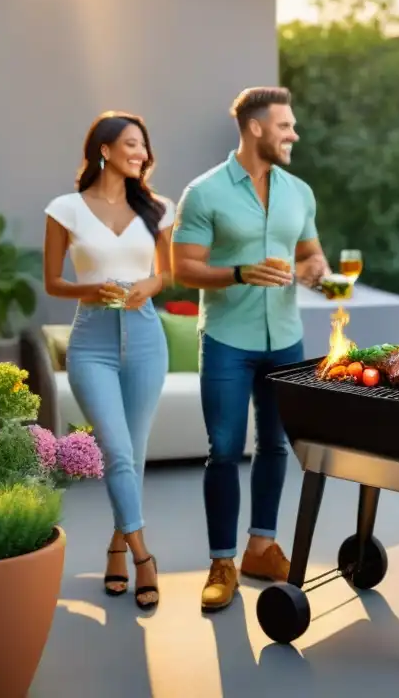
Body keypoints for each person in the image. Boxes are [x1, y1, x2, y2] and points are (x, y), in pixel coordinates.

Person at [172, 86, 330, 613]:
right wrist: (239, 272)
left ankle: (261, 547)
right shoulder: (204, 193)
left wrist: (317, 275)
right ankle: (221, 561)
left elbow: (311, 255)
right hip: (226, 341)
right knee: (223, 448)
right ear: (256, 127)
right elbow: (182, 268)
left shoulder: (299, 192)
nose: (293, 135)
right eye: (286, 126)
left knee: (277, 445)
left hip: (285, 338)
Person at [43, 112, 174, 611]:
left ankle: (117, 547)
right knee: (116, 451)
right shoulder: (65, 209)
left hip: (145, 338)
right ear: (103, 149)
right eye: (130, 144)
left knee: (133, 456)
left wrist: (148, 286)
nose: (140, 153)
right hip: (91, 340)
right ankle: (145, 557)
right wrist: (89, 289)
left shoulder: (158, 208)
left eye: (144, 146)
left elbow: (167, 275)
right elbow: (53, 282)